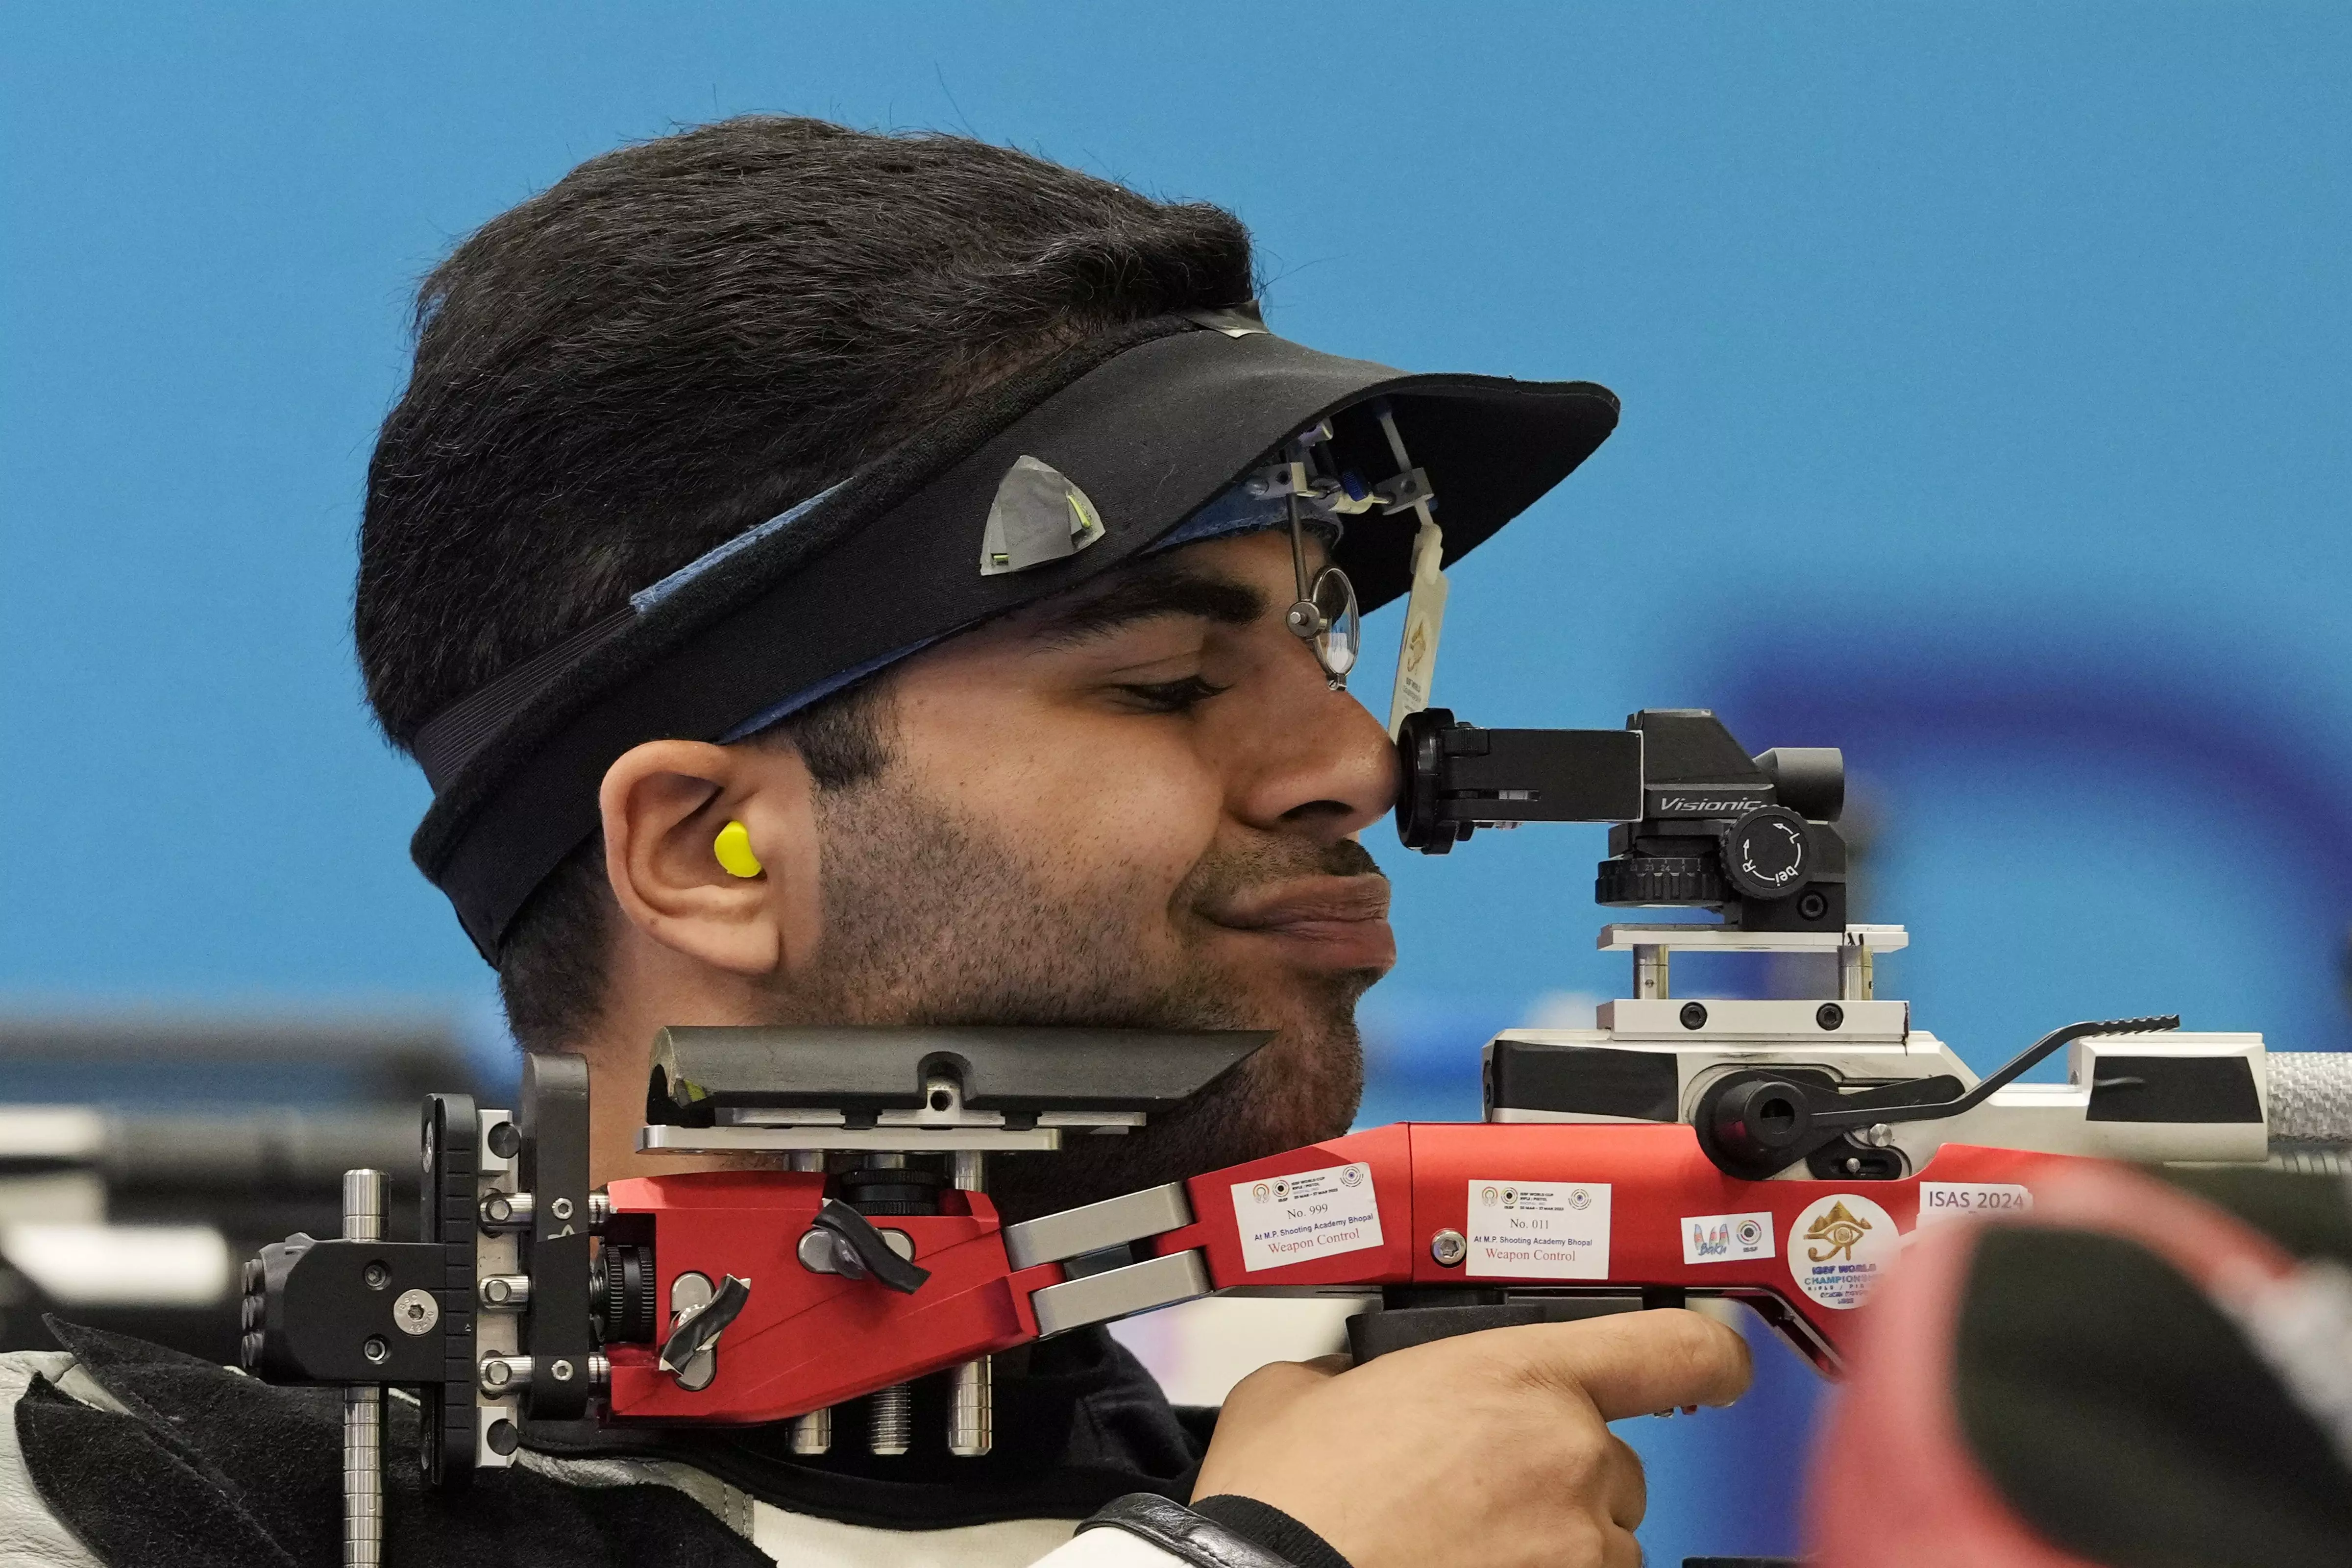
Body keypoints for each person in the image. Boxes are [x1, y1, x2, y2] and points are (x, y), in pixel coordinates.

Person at [0, 117, 1749, 1568]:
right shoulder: (123, 1488)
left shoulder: (1376, 1496)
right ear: (705, 852)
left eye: (1329, 650)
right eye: (1159, 684)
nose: (1353, 766)